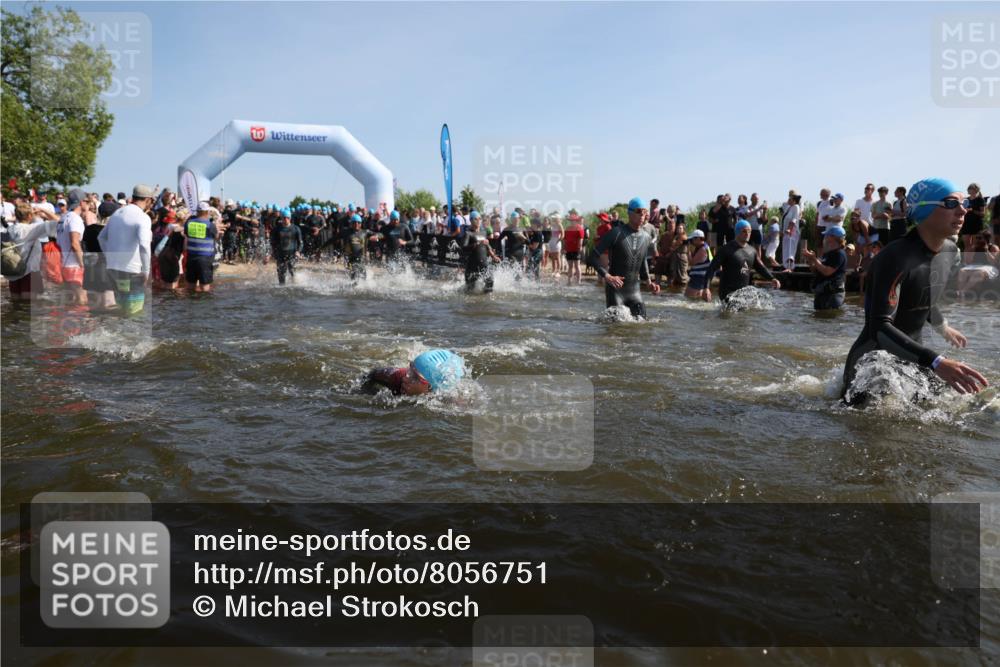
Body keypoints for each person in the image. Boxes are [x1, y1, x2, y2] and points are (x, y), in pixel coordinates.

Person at [841, 177, 988, 404]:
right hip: (873, 364)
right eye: (951, 204)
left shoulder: (950, 252)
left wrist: (943, 326)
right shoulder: (894, 257)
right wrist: (937, 361)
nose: (962, 211)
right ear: (924, 211)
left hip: (914, 358)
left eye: (965, 204)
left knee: (968, 401)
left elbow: (923, 296)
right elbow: (879, 327)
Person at [588, 197, 660, 318]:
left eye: (644, 211)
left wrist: (648, 282)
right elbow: (592, 257)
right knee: (616, 331)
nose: (642, 214)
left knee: (642, 327)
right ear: (630, 213)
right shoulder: (616, 233)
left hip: (634, 292)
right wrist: (607, 276)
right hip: (616, 291)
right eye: (638, 211)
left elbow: (642, 260)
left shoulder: (647, 237)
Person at [98, 184, 156, 315]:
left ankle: (118, 333)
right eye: (151, 201)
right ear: (147, 199)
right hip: (133, 272)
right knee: (134, 312)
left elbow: (101, 237)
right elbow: (144, 245)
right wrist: (147, 271)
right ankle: (130, 335)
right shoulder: (143, 217)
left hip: (114, 270)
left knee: (122, 308)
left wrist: (109, 257)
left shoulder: (117, 213)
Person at [704, 220, 781, 303]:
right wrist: (706, 288)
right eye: (744, 231)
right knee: (729, 314)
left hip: (743, 294)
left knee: (744, 314)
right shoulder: (726, 249)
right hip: (727, 293)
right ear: (737, 232)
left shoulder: (752, 251)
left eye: (749, 231)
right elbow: (711, 268)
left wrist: (772, 278)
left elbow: (760, 267)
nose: (747, 233)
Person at [2, 202, 59, 301]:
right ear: (29, 215)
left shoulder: (10, 229)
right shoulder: (33, 228)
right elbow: (59, 222)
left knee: (16, 304)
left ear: (16, 215)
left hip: (12, 272)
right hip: (29, 272)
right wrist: (43, 210)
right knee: (29, 306)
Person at [363, 349, 466, 396]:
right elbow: (372, 374)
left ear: (430, 387)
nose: (406, 378)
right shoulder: (397, 376)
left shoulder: (446, 404)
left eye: (415, 377)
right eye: (410, 371)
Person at [802, 226, 848, 310]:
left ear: (833, 237)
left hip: (833, 294)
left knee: (828, 318)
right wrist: (810, 260)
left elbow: (827, 272)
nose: (825, 238)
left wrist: (814, 259)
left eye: (827, 235)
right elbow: (816, 270)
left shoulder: (839, 254)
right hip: (822, 292)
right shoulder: (827, 253)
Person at [56, 188, 88, 305]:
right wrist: (82, 263)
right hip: (74, 265)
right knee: (82, 298)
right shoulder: (75, 219)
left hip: (63, 264)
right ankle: (79, 322)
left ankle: (69, 321)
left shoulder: (63, 217)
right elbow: (75, 243)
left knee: (71, 299)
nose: (88, 203)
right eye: (86, 201)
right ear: (81, 202)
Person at [183, 201, 220, 292]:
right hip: (205, 259)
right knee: (205, 287)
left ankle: (190, 304)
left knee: (190, 286)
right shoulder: (210, 225)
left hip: (191, 257)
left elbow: (186, 234)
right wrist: (218, 229)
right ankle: (204, 306)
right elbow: (216, 237)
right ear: (207, 212)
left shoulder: (189, 223)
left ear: (197, 211)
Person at [461, 214, 499, 292]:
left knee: (490, 282)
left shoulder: (483, 232)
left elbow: (487, 245)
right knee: (469, 290)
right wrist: (476, 243)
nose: (478, 221)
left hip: (483, 264)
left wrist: (493, 256)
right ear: (471, 220)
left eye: (479, 219)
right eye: (476, 219)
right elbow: (464, 248)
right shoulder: (468, 233)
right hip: (472, 266)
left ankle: (485, 302)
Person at [271, 208, 302, 285]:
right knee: (281, 275)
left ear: (290, 218)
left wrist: (298, 251)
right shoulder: (277, 229)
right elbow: (273, 243)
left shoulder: (296, 228)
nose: (285, 219)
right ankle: (281, 290)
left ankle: (295, 286)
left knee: (292, 272)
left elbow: (300, 242)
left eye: (287, 218)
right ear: (281, 218)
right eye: (284, 218)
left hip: (292, 254)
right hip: (280, 254)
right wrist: (270, 254)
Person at [960, 183, 987, 264]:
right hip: (966, 223)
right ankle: (965, 262)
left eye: (971, 188)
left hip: (976, 224)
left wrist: (973, 210)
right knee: (967, 245)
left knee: (975, 245)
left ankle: (974, 262)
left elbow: (983, 214)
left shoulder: (980, 200)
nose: (970, 190)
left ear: (976, 190)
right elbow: (962, 211)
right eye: (969, 188)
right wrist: (965, 211)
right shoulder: (966, 200)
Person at [684, 229, 713, 299]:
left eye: (692, 239)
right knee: (691, 297)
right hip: (700, 277)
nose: (691, 242)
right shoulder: (704, 247)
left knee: (689, 297)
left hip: (700, 277)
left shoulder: (703, 249)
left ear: (698, 239)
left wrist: (688, 251)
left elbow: (691, 262)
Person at [779, 190, 803, 271]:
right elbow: (783, 220)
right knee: (786, 249)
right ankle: (786, 266)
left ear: (794, 200)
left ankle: (790, 267)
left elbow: (794, 219)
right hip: (786, 232)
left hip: (792, 231)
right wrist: (782, 231)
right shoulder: (789, 207)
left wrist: (789, 229)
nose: (788, 200)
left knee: (790, 249)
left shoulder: (796, 207)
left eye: (790, 199)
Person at [562, 213, 585, 285]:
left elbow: (581, 238)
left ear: (576, 221)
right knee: (570, 266)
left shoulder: (580, 228)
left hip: (576, 249)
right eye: (571, 220)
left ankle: (579, 281)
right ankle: (569, 281)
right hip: (569, 249)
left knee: (577, 265)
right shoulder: (567, 228)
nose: (572, 222)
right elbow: (565, 239)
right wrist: (563, 247)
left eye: (573, 220)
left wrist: (580, 246)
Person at [345, 214, 368, 282]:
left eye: (358, 222)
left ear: (361, 223)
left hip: (361, 260)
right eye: (354, 222)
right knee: (354, 277)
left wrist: (377, 237)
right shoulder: (346, 232)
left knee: (364, 279)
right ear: (351, 223)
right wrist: (321, 248)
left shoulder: (365, 232)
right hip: (350, 260)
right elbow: (332, 239)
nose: (356, 224)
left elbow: (380, 234)